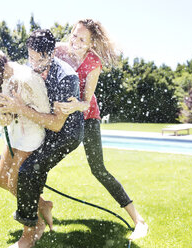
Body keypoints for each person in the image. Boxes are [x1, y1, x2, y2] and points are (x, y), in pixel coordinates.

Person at [54, 19, 148, 240]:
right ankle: (36, 208)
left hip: (87, 118)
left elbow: (86, 102)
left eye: (82, 39)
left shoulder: (92, 62)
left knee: (98, 169)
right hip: (59, 116)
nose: (75, 41)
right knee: (41, 156)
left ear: (91, 44)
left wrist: (74, 105)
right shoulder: (58, 50)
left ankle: (138, 220)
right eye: (74, 35)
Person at [0, 29, 84, 248]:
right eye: (30, 56)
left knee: (26, 172)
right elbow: (18, 100)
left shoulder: (66, 77)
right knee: (2, 170)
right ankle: (42, 205)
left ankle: (29, 235)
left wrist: (21, 108)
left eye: (40, 58)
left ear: (52, 54)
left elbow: (56, 123)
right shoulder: (27, 70)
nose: (34, 63)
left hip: (64, 134)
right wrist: (7, 109)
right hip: (40, 127)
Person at [0, 46, 55, 241]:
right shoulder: (4, 77)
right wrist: (5, 116)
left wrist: (18, 109)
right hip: (15, 135)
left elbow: (44, 110)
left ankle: (36, 224)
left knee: (16, 183)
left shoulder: (25, 76)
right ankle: (43, 204)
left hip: (30, 136)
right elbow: (8, 112)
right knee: (2, 180)